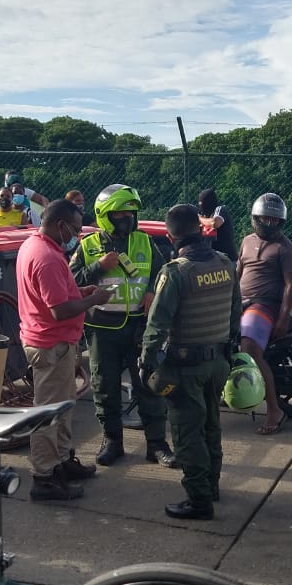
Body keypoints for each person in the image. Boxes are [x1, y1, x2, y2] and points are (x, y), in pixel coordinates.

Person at [141, 204, 240, 520]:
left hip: (185, 368)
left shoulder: (175, 272)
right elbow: (235, 313)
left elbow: (156, 326)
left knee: (187, 433)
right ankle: (211, 486)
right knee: (212, 424)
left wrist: (146, 363)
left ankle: (199, 502)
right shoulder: (225, 263)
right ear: (199, 230)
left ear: (170, 236)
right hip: (218, 362)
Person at [71, 184, 176, 467]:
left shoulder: (144, 242)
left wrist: (154, 289)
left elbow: (164, 272)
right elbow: (70, 282)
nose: (127, 218)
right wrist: (99, 266)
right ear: (105, 214)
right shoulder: (87, 246)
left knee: (149, 385)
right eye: (120, 213)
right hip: (102, 330)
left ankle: (156, 444)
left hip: (139, 328)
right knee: (105, 388)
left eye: (131, 213)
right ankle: (112, 441)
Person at [17, 200, 111, 502]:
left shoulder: (39, 247)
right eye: (74, 228)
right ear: (60, 225)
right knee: (47, 413)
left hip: (55, 341)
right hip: (50, 343)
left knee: (62, 407)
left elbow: (58, 294)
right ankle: (44, 476)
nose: (77, 234)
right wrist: (93, 300)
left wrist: (79, 293)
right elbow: (59, 310)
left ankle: (62, 461)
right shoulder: (46, 256)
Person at [237, 192, 292, 436]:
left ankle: (274, 409)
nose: (270, 224)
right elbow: (236, 273)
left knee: (249, 348)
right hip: (240, 303)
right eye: (266, 219)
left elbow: (291, 286)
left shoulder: (286, 248)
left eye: (275, 220)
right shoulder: (246, 241)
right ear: (256, 218)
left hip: (264, 306)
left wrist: (284, 317)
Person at [197, 187, 236, 259]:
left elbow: (215, 223)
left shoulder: (220, 209)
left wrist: (199, 219)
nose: (201, 206)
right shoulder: (203, 215)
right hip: (210, 259)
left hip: (227, 259)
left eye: (203, 203)